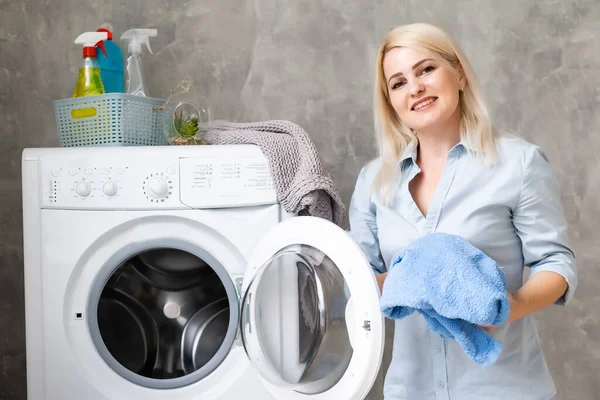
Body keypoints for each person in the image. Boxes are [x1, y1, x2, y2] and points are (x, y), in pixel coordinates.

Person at [348, 23, 577, 400]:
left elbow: (556, 264)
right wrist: (415, 276)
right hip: (412, 388)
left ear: (459, 74)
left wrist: (505, 311)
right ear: (390, 101)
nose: (416, 88)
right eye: (398, 82)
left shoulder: (518, 164)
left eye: (426, 70)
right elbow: (360, 279)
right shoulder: (373, 182)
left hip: (506, 388)